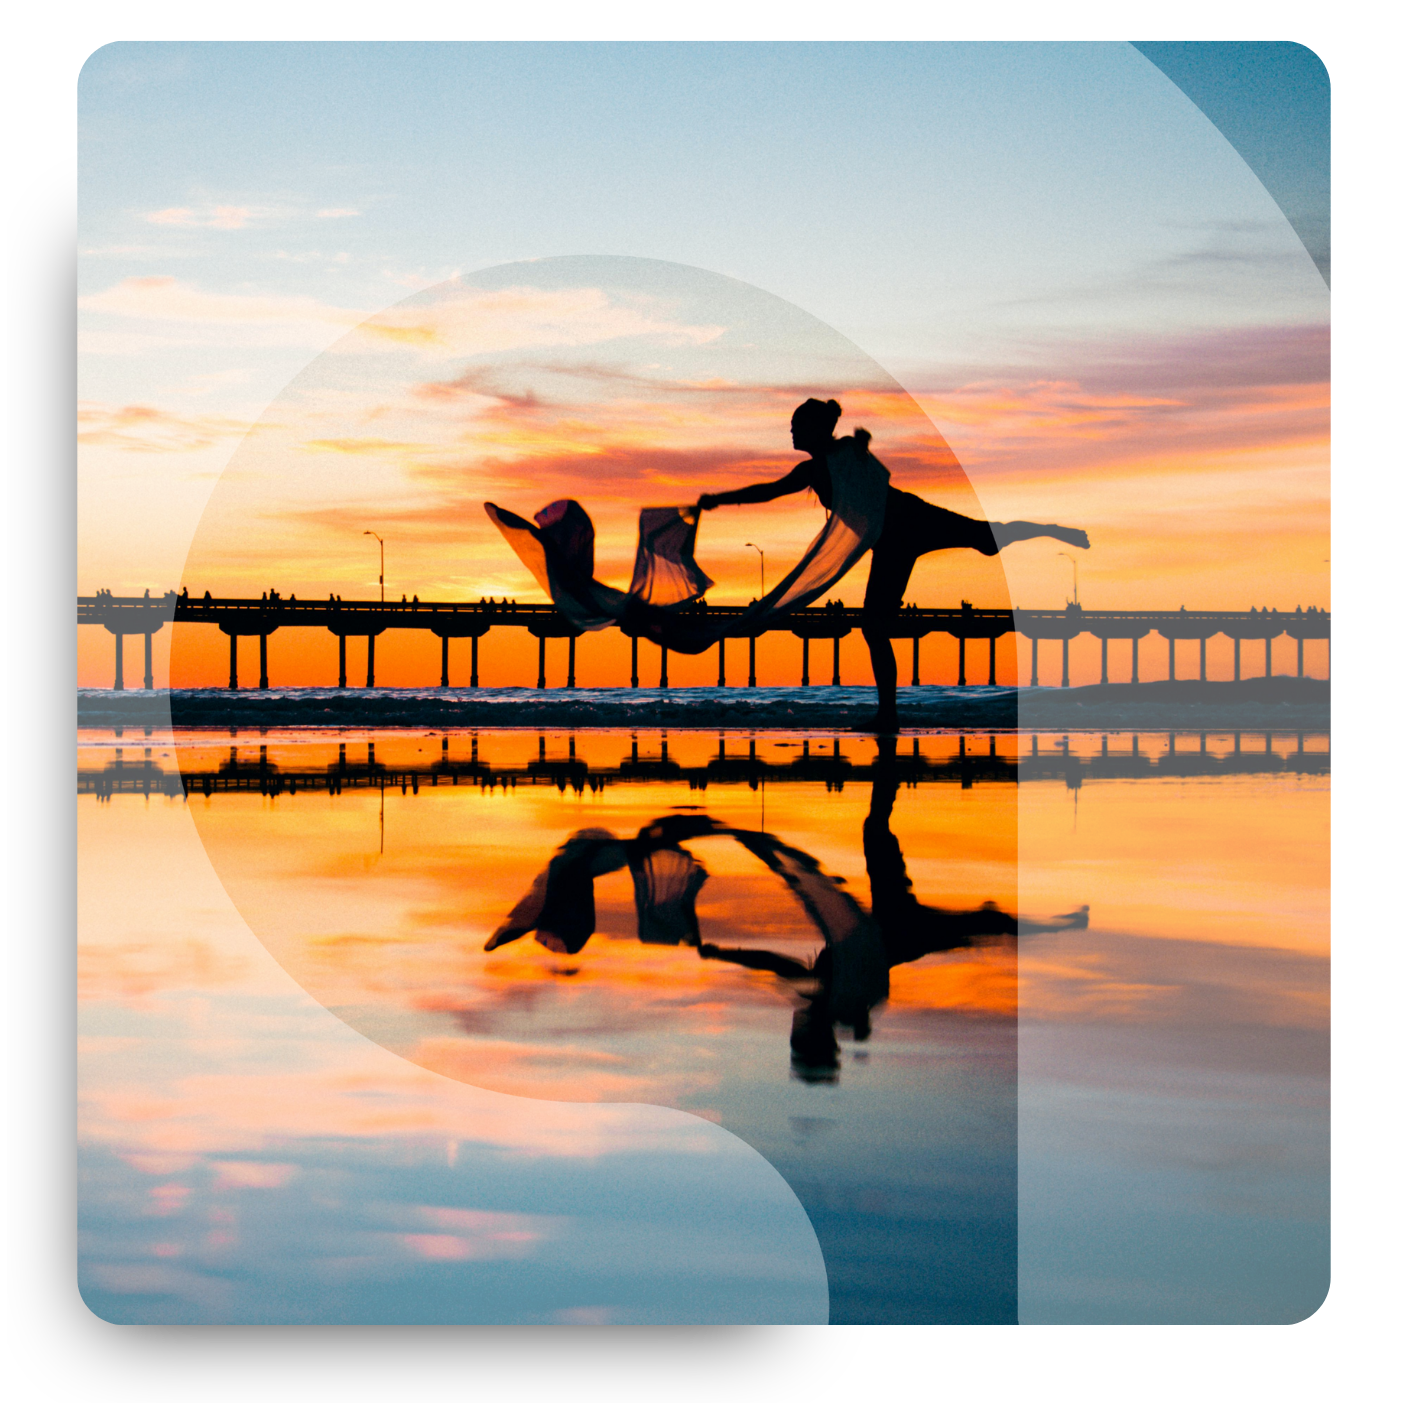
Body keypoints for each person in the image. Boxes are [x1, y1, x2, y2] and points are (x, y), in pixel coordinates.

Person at [698, 398, 1090, 731]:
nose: (791, 434)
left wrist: (862, 446)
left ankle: (1053, 530)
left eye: (796, 427)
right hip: (890, 545)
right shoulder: (810, 471)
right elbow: (767, 492)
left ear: (817, 428)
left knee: (988, 538)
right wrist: (720, 498)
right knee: (873, 625)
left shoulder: (843, 451)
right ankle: (888, 714)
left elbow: (859, 456)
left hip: (911, 518)